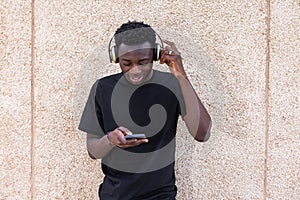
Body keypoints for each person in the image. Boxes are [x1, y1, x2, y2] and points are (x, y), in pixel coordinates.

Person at [78, 21, 211, 200]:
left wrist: (180, 73)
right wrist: (111, 140)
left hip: (160, 196)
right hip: (114, 195)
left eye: (143, 62)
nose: (135, 70)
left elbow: (202, 133)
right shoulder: (102, 88)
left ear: (155, 55)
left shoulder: (172, 85)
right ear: (116, 57)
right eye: (127, 63)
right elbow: (93, 151)